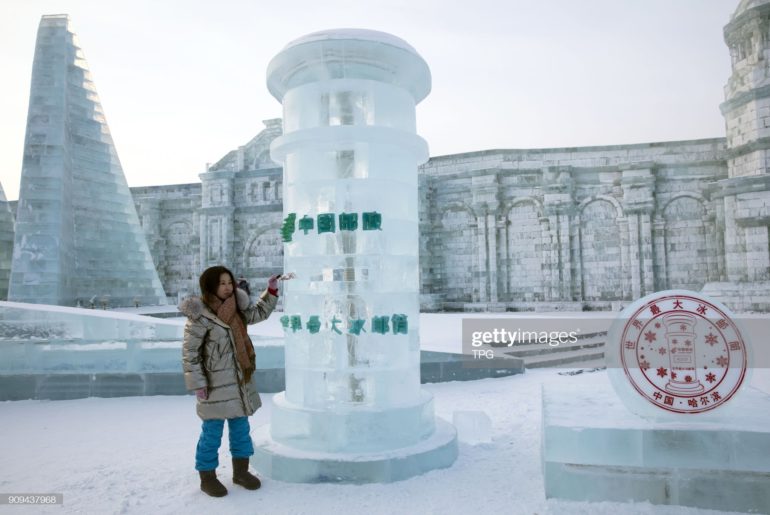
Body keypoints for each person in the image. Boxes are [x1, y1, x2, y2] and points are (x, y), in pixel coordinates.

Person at [179, 265, 280, 497]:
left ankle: (240, 473)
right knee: (212, 433)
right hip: (214, 386)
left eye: (229, 282)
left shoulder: (238, 310)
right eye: (221, 283)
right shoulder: (200, 316)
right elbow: (190, 353)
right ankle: (207, 477)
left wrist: (271, 291)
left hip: (239, 382)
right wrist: (198, 383)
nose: (226, 287)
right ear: (210, 286)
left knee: (241, 431)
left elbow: (259, 313)